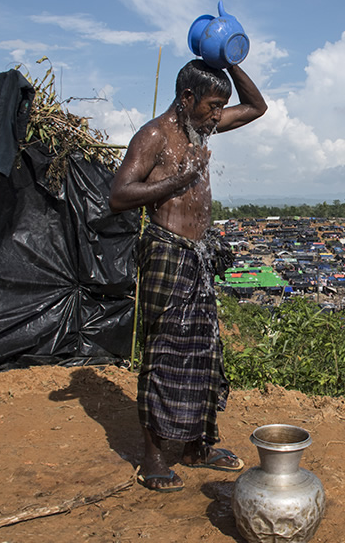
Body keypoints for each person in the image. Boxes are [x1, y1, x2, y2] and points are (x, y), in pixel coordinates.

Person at [109, 59, 267, 492]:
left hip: (197, 255)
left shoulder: (203, 128)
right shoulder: (154, 136)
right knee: (165, 355)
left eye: (221, 107)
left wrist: (230, 62)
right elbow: (119, 195)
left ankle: (197, 446)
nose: (219, 115)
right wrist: (178, 180)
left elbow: (256, 107)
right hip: (165, 252)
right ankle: (154, 457)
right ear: (187, 99)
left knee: (203, 353)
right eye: (213, 105)